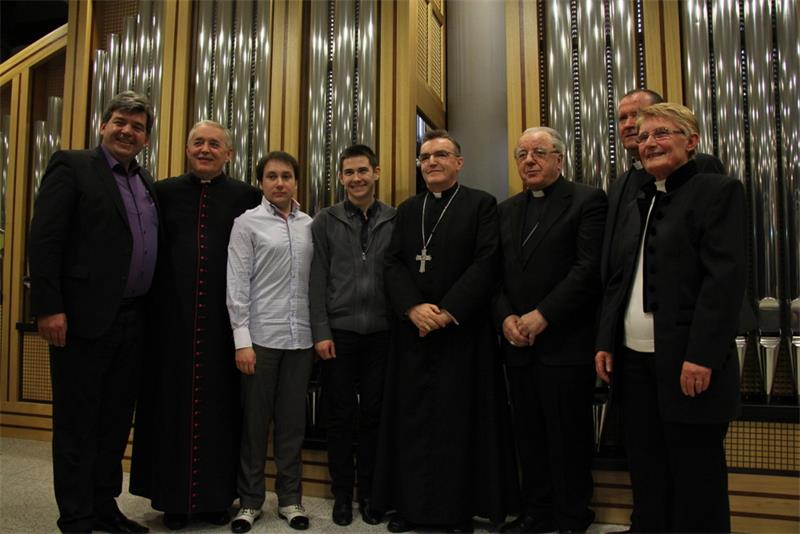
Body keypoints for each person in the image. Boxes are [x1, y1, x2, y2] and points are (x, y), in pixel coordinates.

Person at [595, 103, 746, 532]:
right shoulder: (642, 198)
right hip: (633, 361)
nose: (649, 143)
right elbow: (621, 278)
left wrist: (701, 356)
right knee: (647, 470)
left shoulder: (718, 190)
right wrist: (606, 340)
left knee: (696, 476)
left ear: (691, 141)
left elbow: (723, 283)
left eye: (661, 133)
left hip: (687, 362)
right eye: (643, 137)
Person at [28, 91, 156, 533]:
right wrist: (49, 307)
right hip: (82, 319)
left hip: (133, 320)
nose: (127, 131)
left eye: (137, 127)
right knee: (78, 423)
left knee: (114, 423)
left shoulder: (144, 181)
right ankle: (77, 515)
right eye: (120, 121)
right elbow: (45, 240)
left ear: (146, 139)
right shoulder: (72, 165)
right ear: (104, 125)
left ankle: (104, 505)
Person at [374, 129, 513, 533]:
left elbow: (487, 262)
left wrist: (448, 311)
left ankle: (457, 512)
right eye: (425, 157)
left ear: (459, 162)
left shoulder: (481, 204)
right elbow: (392, 263)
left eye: (441, 155)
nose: (431, 162)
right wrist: (412, 308)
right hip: (413, 335)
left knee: (458, 423)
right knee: (412, 421)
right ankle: (410, 508)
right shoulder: (408, 209)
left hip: (461, 336)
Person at [129, 120, 261, 530]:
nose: (205, 149)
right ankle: (173, 501)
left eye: (214, 144)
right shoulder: (162, 192)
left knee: (222, 412)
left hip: (225, 326)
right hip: (170, 322)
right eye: (198, 143)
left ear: (229, 154)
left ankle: (216, 499)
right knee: (169, 412)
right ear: (187, 149)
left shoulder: (247, 196)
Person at [495, 128, 607, 533]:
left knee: (568, 435)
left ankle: (573, 515)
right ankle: (537, 512)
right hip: (518, 344)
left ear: (559, 159)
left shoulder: (587, 200)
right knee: (528, 434)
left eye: (539, 152)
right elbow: (496, 275)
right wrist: (506, 318)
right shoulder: (506, 210)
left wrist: (543, 315)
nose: (529, 160)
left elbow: (587, 269)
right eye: (522, 154)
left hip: (565, 342)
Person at [226, 151, 314, 533]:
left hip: (301, 340)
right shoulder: (246, 223)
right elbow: (237, 285)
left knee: (292, 427)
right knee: (254, 426)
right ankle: (249, 501)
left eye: (287, 176)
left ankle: (291, 500)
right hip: (260, 340)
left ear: (296, 181)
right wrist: (241, 340)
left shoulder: (310, 225)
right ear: (260, 182)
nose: (280, 182)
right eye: (272, 176)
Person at [309, 144, 396, 526]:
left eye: (363, 170)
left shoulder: (395, 219)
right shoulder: (324, 221)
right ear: (340, 177)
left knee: (376, 415)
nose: (357, 178)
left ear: (376, 172)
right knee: (341, 416)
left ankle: (371, 494)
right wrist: (320, 330)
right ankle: (342, 495)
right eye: (349, 172)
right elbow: (316, 280)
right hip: (339, 333)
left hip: (382, 333)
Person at [602, 89, 725, 285]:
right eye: (622, 118)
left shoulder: (699, 166)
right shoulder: (620, 183)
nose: (629, 124)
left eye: (637, 115)